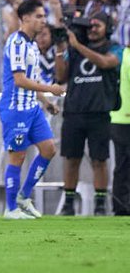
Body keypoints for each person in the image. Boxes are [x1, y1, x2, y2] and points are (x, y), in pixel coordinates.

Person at [0, 0, 66, 220]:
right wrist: (51, 88)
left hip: (32, 108)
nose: (43, 21)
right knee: (17, 156)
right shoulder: (16, 43)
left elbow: (31, 79)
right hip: (16, 108)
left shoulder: (32, 45)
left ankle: (23, 197)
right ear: (25, 17)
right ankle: (11, 209)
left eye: (44, 16)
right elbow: (19, 80)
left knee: (48, 149)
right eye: (38, 16)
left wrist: (45, 101)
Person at [54, 12, 122, 216]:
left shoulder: (114, 47)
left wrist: (77, 46)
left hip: (99, 112)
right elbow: (60, 76)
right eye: (89, 26)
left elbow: (106, 63)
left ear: (107, 28)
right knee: (71, 158)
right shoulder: (73, 49)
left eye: (97, 26)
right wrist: (60, 48)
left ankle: (100, 203)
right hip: (74, 110)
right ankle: (68, 203)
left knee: (99, 159)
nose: (92, 29)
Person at [112, 40, 130, 216]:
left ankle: (120, 205)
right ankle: (122, 207)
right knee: (124, 166)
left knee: (122, 166)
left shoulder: (121, 55)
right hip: (124, 119)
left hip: (117, 118)